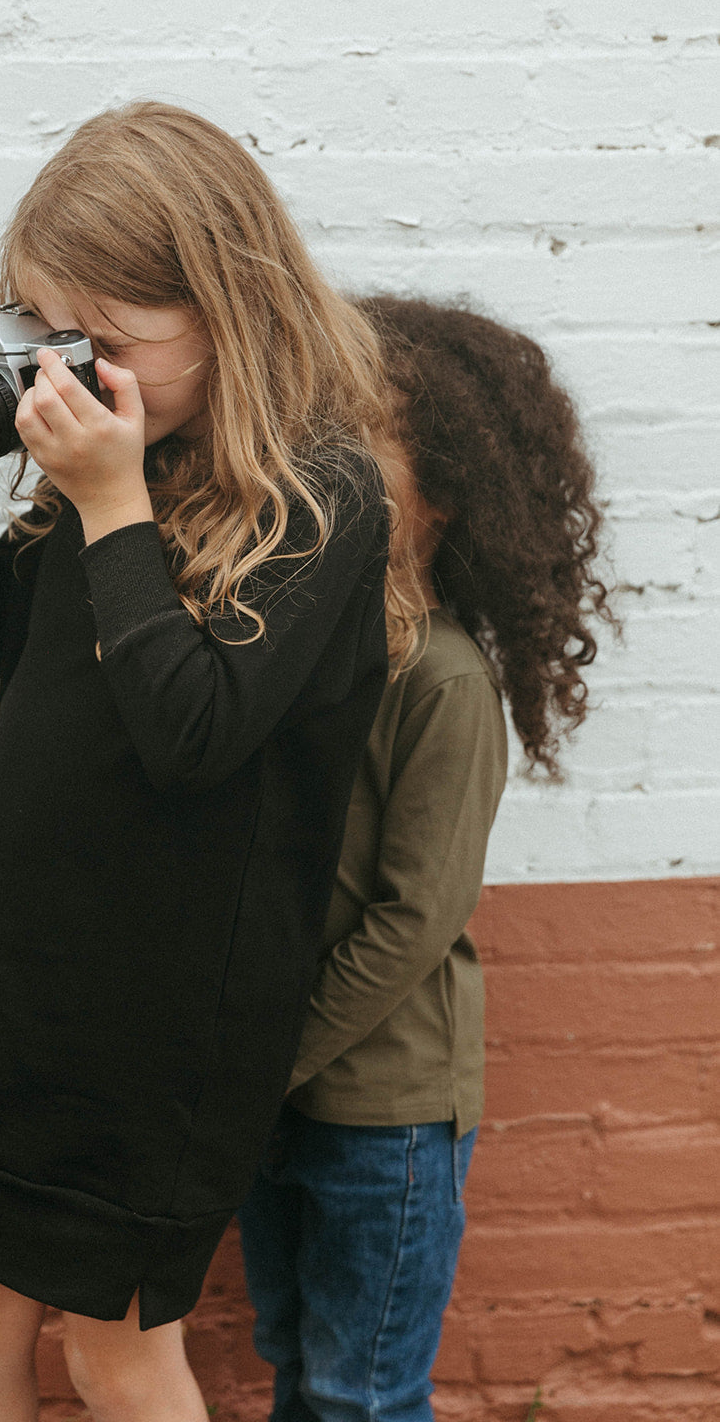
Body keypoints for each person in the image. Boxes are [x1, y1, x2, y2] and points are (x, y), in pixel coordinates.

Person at [0, 104, 427, 1422]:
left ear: (227, 306)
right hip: (10, 977)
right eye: (46, 335)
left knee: (112, 1354)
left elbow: (192, 738)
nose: (68, 377)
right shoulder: (100, 462)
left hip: (158, 1022)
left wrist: (110, 497)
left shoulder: (320, 499)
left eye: (105, 344)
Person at [237, 295, 618, 1422]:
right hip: (275, 1093)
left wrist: (272, 1054)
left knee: (361, 1393)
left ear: (444, 495)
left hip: (380, 1117)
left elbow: (412, 920)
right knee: (290, 1361)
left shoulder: (446, 681)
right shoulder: (296, 651)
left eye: (363, 447)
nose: (323, 470)